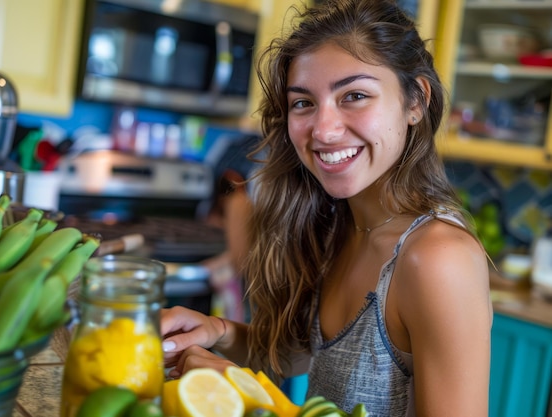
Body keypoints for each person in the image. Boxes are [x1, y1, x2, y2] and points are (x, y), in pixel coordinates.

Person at [160, 0, 493, 416]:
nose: (323, 129)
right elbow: (306, 354)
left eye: (354, 95)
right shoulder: (339, 223)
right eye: (303, 103)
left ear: (415, 102)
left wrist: (241, 393)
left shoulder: (438, 259)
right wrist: (219, 331)